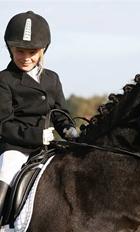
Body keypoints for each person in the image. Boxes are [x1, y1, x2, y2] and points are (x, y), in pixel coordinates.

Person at [0, 11, 78, 222]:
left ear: (43, 50)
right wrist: (37, 136)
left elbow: (61, 114)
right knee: (6, 174)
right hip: (16, 147)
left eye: (32, 52)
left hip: (48, 146)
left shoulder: (52, 79)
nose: (26, 58)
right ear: (10, 49)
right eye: (20, 51)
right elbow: (3, 124)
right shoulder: (5, 79)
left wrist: (70, 130)